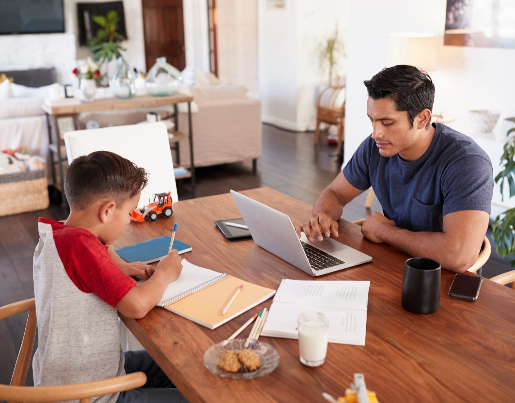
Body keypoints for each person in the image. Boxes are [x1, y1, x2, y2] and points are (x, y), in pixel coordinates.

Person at [297, 65, 493, 273]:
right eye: (372, 121)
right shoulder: (375, 148)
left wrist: (384, 232)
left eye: (387, 122)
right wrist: (323, 215)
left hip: (442, 282)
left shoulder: (468, 163)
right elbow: (335, 193)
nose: (375, 133)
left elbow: (458, 256)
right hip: (392, 264)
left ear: (422, 118)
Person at [33, 151, 187, 403]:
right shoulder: (81, 246)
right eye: (129, 213)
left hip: (78, 372)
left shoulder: (59, 234)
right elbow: (136, 305)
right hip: (88, 395)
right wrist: (165, 273)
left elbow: (93, 253)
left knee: (183, 364)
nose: (128, 221)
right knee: (194, 391)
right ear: (107, 211)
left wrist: (115, 264)